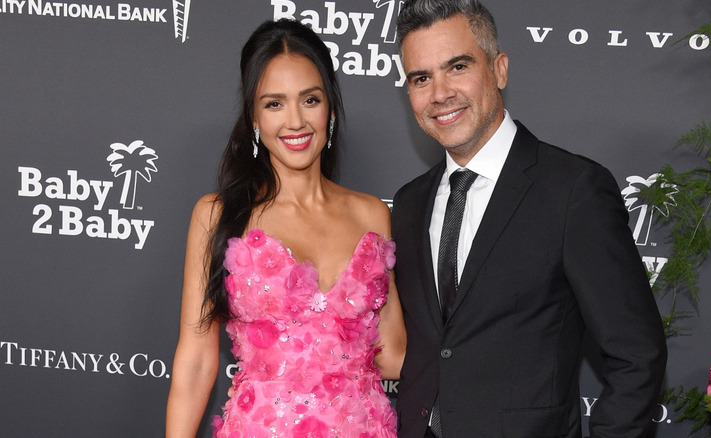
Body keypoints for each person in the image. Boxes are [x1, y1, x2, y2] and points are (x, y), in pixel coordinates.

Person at [390, 1, 667, 437]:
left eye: (457, 66)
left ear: (499, 69)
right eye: (421, 78)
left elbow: (637, 354)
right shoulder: (408, 204)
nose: (439, 93)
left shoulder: (574, 189)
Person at [165, 19, 405, 438]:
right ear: (254, 117)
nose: (295, 121)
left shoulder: (371, 215)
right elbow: (197, 362)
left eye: (309, 100)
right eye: (274, 103)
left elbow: (394, 352)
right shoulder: (217, 216)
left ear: (329, 107)